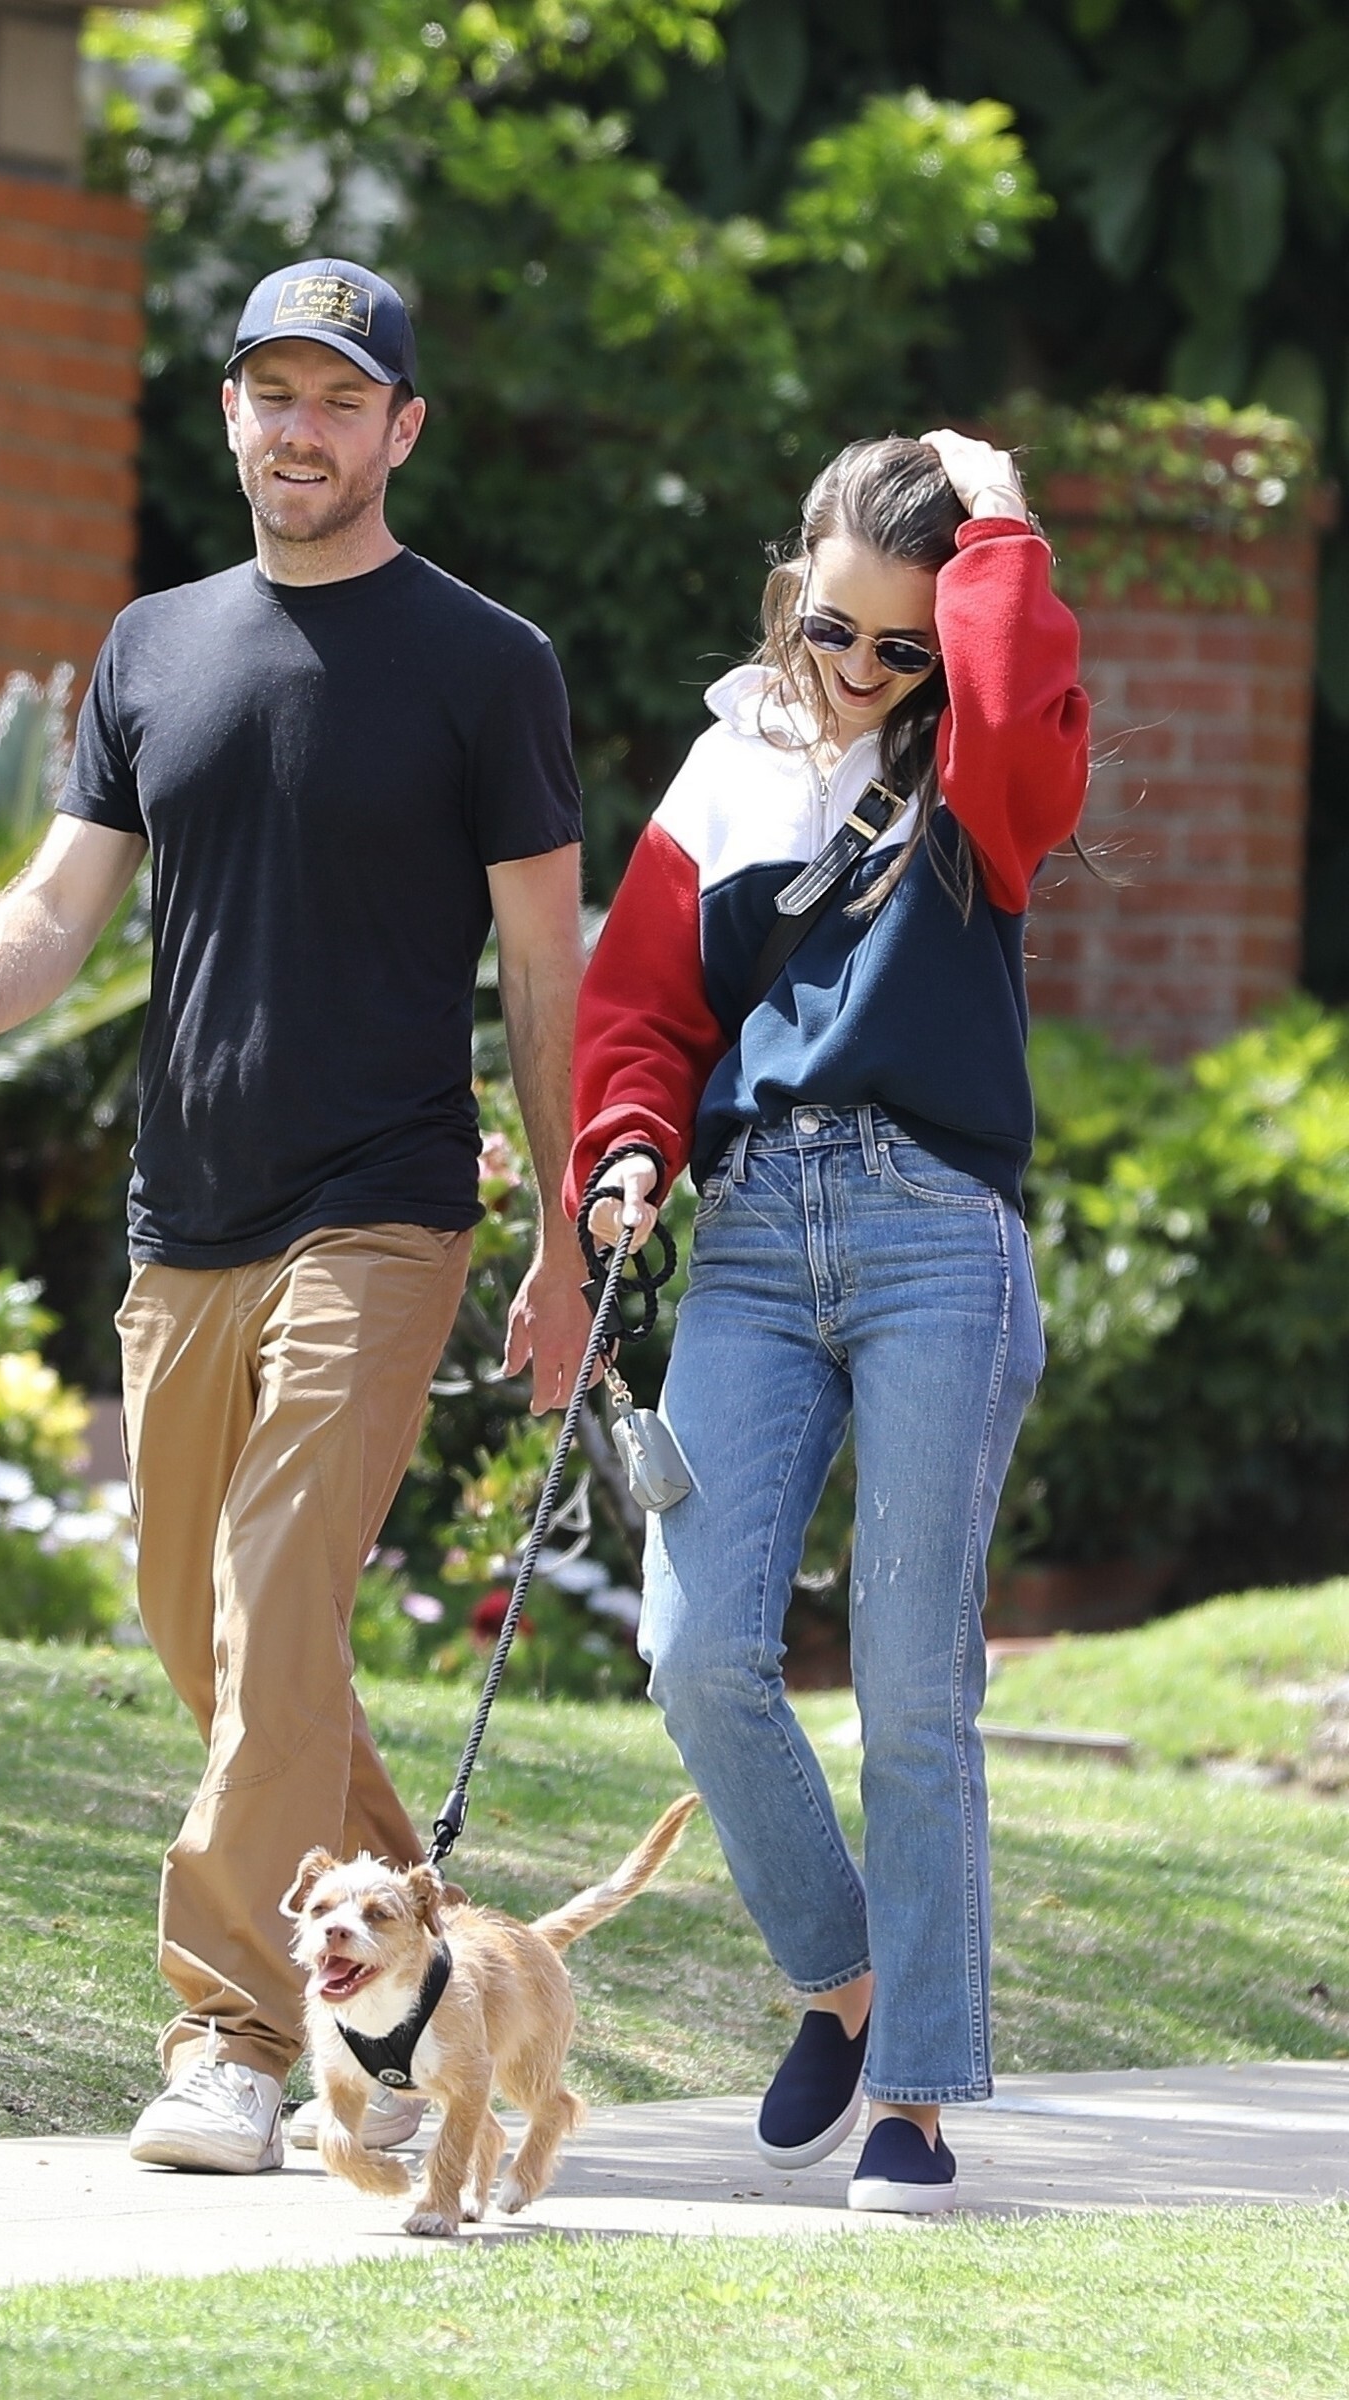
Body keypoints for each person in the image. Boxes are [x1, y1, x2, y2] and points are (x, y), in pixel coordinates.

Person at [0, 256, 590, 2173]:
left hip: (384, 1205)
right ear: (230, 415)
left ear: (401, 429)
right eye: (275, 393)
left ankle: (228, 2040)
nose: (303, 429)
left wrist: (560, 1240)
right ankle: (428, 1968)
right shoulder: (154, 646)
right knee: (211, 1636)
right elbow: (60, 895)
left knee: (278, 1602)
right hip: (185, 1212)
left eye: (342, 399)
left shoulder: (487, 665)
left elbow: (545, 965)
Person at [568, 430, 1089, 2213]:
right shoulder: (725, 768)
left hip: (941, 1230)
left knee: (916, 1685)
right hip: (750, 1236)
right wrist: (624, 1152)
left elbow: (1020, 731)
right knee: (696, 1649)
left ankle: (916, 2099)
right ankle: (851, 1984)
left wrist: (1000, 525)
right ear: (792, 586)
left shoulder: (981, 766)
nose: (862, 670)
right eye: (833, 630)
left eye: (902, 647)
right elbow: (641, 1012)